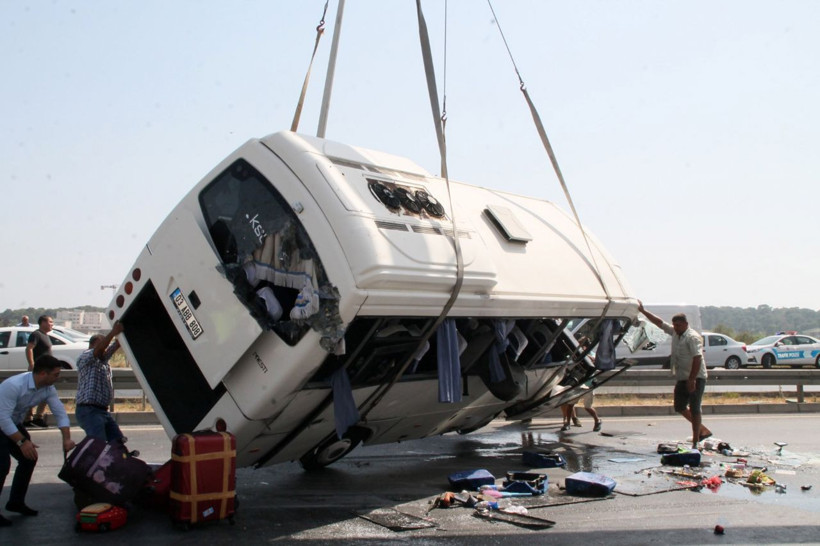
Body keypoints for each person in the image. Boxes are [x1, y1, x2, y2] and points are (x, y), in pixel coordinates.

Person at [0, 355, 76, 526]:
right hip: (1, 421)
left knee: (29, 459)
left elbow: (59, 412)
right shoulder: (13, 386)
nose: (58, 377)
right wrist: (22, 442)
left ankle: (15, 502)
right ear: (43, 373)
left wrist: (67, 439)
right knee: (1, 466)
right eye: (56, 374)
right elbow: (2, 419)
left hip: (13, 423)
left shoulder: (48, 388)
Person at [638, 301, 712, 448]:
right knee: (679, 406)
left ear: (685, 324)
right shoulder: (676, 333)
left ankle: (696, 442)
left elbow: (697, 358)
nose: (676, 328)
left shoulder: (692, 337)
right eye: (675, 326)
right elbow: (660, 323)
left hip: (695, 377)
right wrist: (643, 311)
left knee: (695, 407)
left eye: (678, 326)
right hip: (682, 377)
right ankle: (702, 430)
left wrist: (692, 379)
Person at [75, 321, 125, 443]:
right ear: (93, 345)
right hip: (89, 410)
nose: (105, 348)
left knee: (117, 441)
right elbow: (98, 350)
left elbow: (114, 346)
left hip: (102, 410)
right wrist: (113, 332)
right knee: (99, 445)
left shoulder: (103, 360)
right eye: (103, 345)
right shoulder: (86, 356)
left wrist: (122, 334)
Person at [24, 316, 55, 428]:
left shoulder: (46, 335)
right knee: (32, 393)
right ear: (43, 323)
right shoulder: (36, 334)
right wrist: (32, 364)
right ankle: (27, 418)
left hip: (47, 370)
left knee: (46, 393)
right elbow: (29, 348)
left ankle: (38, 417)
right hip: (39, 370)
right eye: (50, 322)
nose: (52, 324)